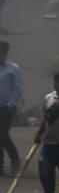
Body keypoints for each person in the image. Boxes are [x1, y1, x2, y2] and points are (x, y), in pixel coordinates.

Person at [0, 41, 21, 178]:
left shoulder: (13, 69)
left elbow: (17, 88)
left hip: (6, 107)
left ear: (6, 54)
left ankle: (14, 158)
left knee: (2, 134)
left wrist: (10, 103)